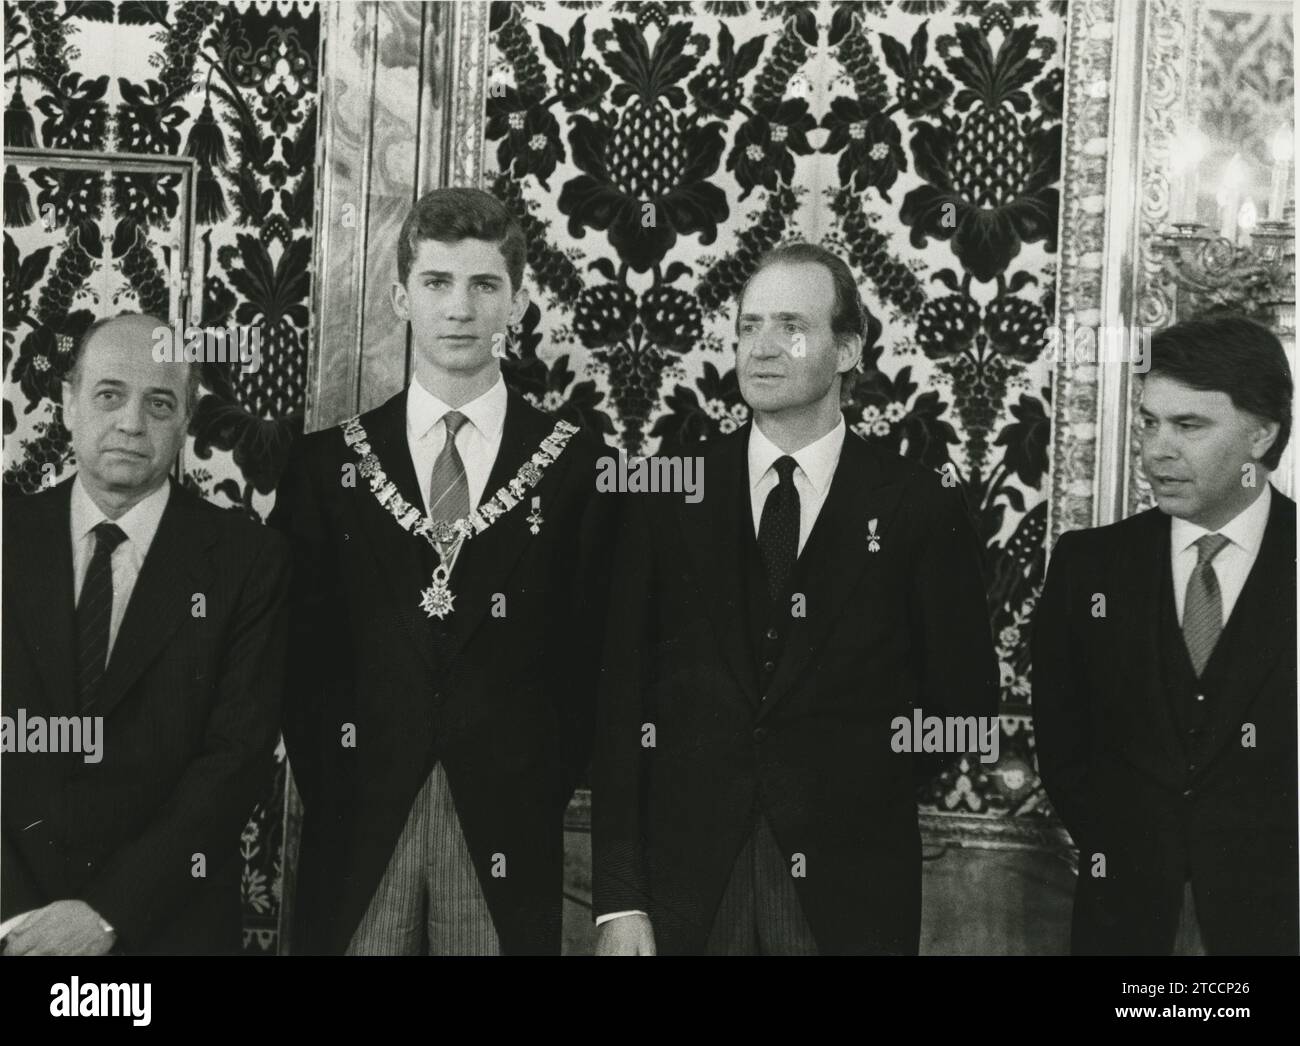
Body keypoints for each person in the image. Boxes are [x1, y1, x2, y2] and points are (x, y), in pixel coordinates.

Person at [593, 243, 998, 955]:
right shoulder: (666, 491)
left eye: (791, 327)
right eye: (749, 327)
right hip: (686, 892)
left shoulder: (920, 504)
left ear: (847, 348)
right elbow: (621, 703)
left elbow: (966, 712)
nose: (762, 348)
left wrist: (857, 772)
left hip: (850, 893)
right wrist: (620, 902)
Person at [272, 187, 613, 955]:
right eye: (437, 283)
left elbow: (600, 662)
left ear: (516, 303)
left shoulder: (579, 467)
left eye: (484, 285)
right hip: (360, 823)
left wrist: (530, 778)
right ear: (401, 297)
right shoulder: (326, 469)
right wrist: (348, 777)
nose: (460, 307)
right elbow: (296, 663)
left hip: (505, 825)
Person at [2, 313, 290, 955]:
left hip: (168, 931)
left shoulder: (248, 561)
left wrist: (106, 914)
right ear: (70, 405)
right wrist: (18, 917)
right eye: (109, 395)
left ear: (186, 422)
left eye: (159, 403)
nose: (132, 422)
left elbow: (235, 758)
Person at [1033, 312, 1297, 955]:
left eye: (1189, 426)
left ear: (1261, 435)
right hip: (1122, 921)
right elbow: (1064, 742)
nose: (1156, 449)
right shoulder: (1087, 565)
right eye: (1149, 422)